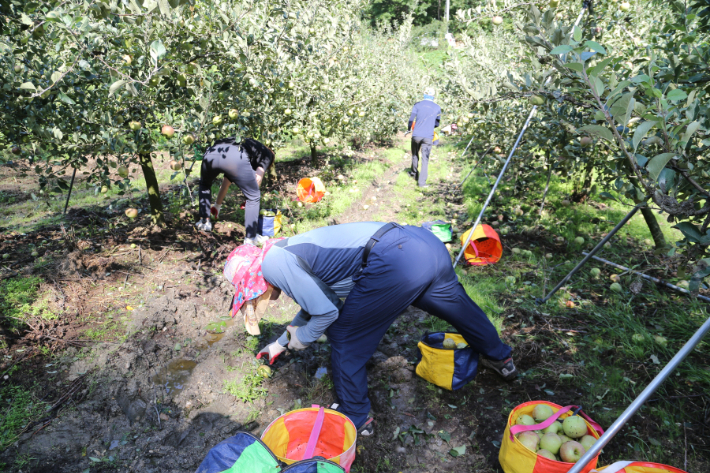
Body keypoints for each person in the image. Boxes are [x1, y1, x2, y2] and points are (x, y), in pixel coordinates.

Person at [235, 222, 515, 436]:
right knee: (461, 309)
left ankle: (357, 418)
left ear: (252, 280)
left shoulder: (271, 265)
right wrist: (281, 342)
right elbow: (318, 300)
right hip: (423, 244)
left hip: (397, 261)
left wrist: (304, 338)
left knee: (344, 337)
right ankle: (500, 357)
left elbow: (327, 312)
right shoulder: (281, 250)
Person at [195, 138, 275, 246]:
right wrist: (250, 199)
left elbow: (226, 183)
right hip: (234, 156)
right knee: (254, 196)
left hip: (211, 153)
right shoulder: (267, 154)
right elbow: (258, 178)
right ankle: (251, 239)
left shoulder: (250, 146)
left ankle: (205, 222)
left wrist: (217, 206)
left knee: (204, 185)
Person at [408, 87, 441, 188]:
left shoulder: (417, 105)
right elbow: (437, 123)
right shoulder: (437, 108)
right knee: (425, 159)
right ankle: (422, 183)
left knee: (414, 155)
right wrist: (430, 125)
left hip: (416, 135)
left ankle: (414, 174)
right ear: (433, 96)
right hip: (428, 136)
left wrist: (409, 128)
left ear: (424, 94)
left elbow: (411, 119)